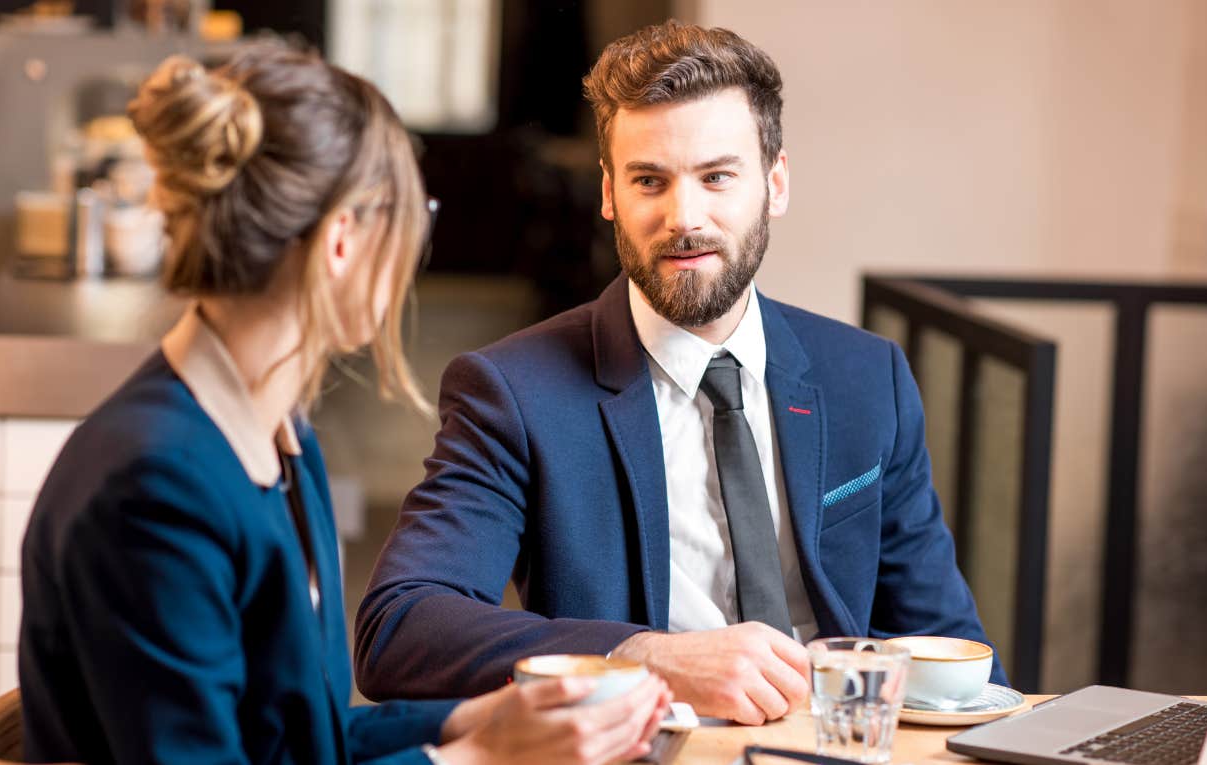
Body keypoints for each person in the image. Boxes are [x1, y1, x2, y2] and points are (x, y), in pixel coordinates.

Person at [18, 44, 669, 765]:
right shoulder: (152, 489)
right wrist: (481, 758)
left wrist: (474, 718)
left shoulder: (280, 441)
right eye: (410, 215)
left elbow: (299, 740)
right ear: (340, 241)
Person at [355, 20, 1007, 726]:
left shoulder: (866, 377)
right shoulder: (513, 391)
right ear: (610, 194)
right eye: (649, 181)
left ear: (775, 183)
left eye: (717, 176)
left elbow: (950, 644)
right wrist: (647, 655)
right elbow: (400, 627)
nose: (683, 217)